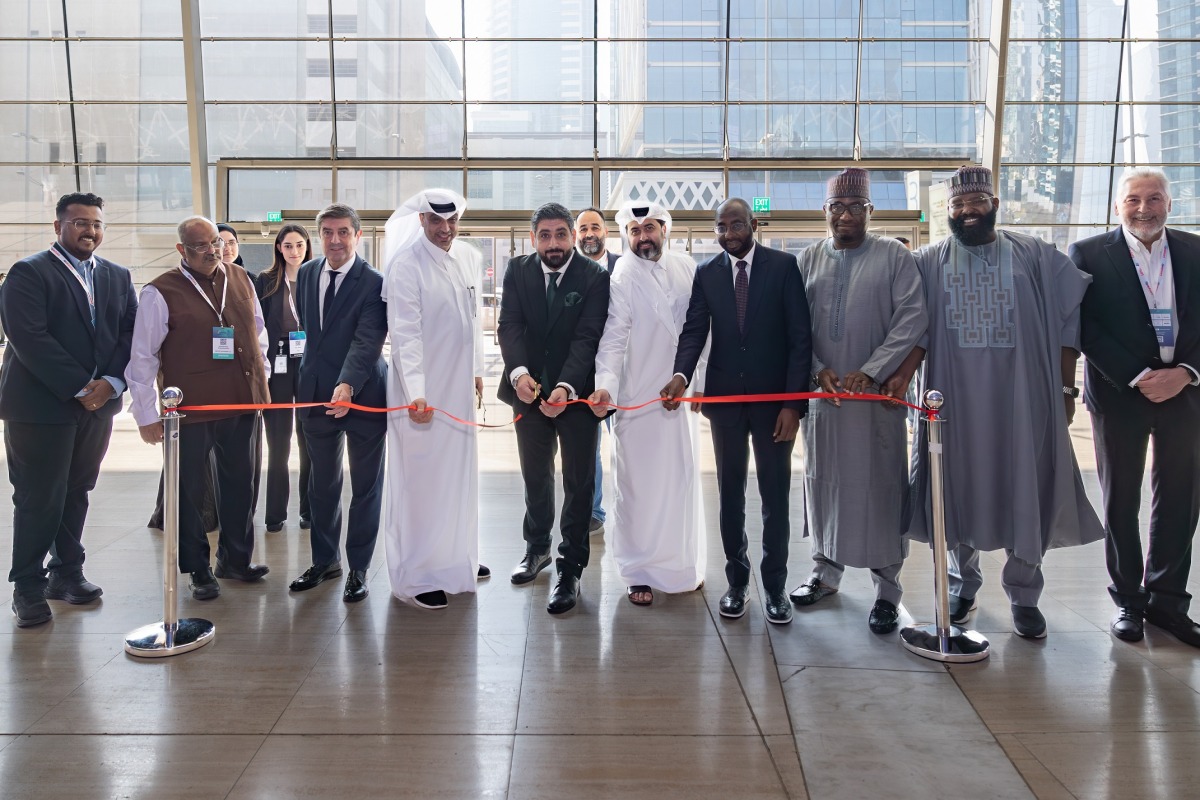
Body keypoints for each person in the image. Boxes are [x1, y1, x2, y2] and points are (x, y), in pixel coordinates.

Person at [889, 165, 1104, 639]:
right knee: (954, 488)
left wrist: (1067, 389)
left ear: (995, 205)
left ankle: (1024, 596)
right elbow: (910, 327)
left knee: (1022, 485)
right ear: (948, 211)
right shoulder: (928, 260)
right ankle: (963, 586)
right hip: (951, 402)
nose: (967, 212)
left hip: (1022, 401)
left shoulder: (1034, 255)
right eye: (958, 205)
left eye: (976, 203)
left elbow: (1071, 321)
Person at [661, 198, 812, 624]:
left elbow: (801, 341)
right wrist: (680, 376)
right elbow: (694, 330)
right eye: (721, 227)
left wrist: (792, 406)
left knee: (774, 498)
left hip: (773, 409)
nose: (729, 234)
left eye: (736, 225)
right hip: (725, 404)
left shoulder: (783, 267)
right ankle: (737, 582)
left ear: (754, 224)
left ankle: (776, 587)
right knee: (729, 496)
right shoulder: (707, 274)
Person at [790, 169, 927, 634]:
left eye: (854, 208)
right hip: (826, 403)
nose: (844, 216)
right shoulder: (807, 258)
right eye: (836, 208)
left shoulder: (893, 255)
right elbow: (793, 327)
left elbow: (912, 318)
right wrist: (814, 367)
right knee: (823, 483)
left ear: (871, 211)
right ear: (824, 212)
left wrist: (873, 369)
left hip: (875, 402)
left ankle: (887, 591)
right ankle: (825, 575)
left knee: (881, 489)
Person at [1070, 168, 1200, 647]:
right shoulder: (1087, 253)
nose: (1143, 208)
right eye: (1133, 200)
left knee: (1182, 499)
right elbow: (1084, 325)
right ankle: (1128, 602)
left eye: (1154, 198)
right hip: (1120, 393)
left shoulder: (1195, 250)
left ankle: (1168, 603)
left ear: (1170, 202)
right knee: (1121, 500)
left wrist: (1185, 373)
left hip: (1185, 394)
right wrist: (1139, 376)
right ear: (1117, 205)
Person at [1, 192, 137, 627]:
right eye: (79, 222)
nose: (89, 230)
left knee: (77, 490)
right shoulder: (28, 272)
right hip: (40, 407)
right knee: (39, 497)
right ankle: (27, 587)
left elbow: (130, 335)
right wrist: (81, 387)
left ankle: (67, 573)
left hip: (97, 408)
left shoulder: (117, 276)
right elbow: (29, 338)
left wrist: (111, 383)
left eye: (96, 223)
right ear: (58, 226)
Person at [126, 216, 271, 600]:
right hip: (189, 408)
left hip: (242, 401)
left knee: (241, 482)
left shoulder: (240, 279)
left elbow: (258, 331)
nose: (213, 251)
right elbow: (142, 357)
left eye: (217, 243)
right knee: (189, 491)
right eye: (202, 246)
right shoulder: (160, 291)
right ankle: (199, 569)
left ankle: (236, 560)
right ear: (181, 251)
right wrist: (145, 416)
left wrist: (262, 375)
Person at [589, 202, 706, 606]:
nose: (642, 237)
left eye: (649, 228)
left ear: (665, 229)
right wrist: (605, 385)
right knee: (637, 488)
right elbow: (615, 335)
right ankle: (637, 570)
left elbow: (701, 329)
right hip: (637, 398)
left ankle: (681, 566)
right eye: (635, 231)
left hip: (680, 396)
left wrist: (700, 384)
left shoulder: (687, 267)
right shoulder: (623, 272)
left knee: (679, 483)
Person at [498, 203, 610, 615]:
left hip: (576, 396)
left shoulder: (595, 277)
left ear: (572, 236)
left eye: (560, 234)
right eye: (544, 235)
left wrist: (565, 386)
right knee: (535, 477)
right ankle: (536, 549)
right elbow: (508, 325)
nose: (553, 243)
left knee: (579, 483)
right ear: (533, 239)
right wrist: (520, 375)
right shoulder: (517, 270)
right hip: (526, 392)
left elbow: (588, 337)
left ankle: (571, 567)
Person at [381, 189, 490, 609]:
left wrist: (478, 371)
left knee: (459, 478)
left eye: (451, 222)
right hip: (422, 399)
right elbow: (405, 336)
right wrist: (417, 393)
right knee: (422, 484)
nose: (445, 230)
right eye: (435, 222)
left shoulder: (466, 256)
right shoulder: (406, 265)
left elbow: (472, 317)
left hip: (458, 391)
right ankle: (417, 574)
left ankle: (454, 559)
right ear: (421, 220)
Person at [289, 204, 387, 604]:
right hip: (314, 394)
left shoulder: (375, 282)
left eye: (343, 232)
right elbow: (313, 333)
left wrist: (347, 384)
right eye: (327, 232)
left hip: (363, 395)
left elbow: (367, 341)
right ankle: (324, 561)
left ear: (358, 236)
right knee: (321, 485)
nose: (335, 240)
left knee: (365, 486)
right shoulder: (308, 273)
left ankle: (359, 568)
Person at [255, 223, 312, 533]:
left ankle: (308, 509)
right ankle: (275, 513)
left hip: (308, 364)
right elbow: (257, 327)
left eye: (299, 245)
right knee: (278, 443)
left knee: (308, 439)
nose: (294, 251)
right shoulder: (265, 281)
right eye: (288, 245)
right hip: (277, 363)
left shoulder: (316, 276)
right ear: (278, 248)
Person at [575, 207, 620, 539]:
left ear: (606, 232)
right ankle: (593, 511)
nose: (589, 233)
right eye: (583, 229)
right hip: (583, 376)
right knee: (587, 449)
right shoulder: (569, 270)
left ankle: (632, 509)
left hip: (621, 375)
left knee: (626, 444)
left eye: (595, 227)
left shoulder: (626, 267)